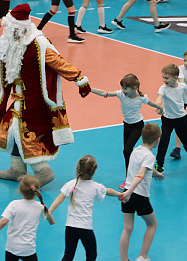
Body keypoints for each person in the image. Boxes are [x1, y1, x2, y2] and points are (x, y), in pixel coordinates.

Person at [0, 4, 91, 186]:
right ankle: (17, 169)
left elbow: (58, 62)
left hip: (34, 102)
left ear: (18, 27)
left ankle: (43, 171)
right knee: (11, 130)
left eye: (10, 27)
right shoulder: (11, 41)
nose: (7, 30)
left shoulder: (38, 44)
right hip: (18, 99)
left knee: (25, 133)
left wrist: (80, 80)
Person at [47, 155, 122, 261]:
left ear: (78, 168)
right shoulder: (96, 186)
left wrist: (49, 211)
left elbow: (60, 198)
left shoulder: (71, 184)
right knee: (91, 255)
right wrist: (120, 194)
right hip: (85, 228)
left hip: (70, 227)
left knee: (68, 255)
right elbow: (109, 191)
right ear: (93, 171)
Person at [90, 74, 163, 171]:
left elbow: (151, 103)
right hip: (127, 126)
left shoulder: (141, 98)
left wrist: (160, 108)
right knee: (126, 152)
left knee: (127, 151)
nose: (123, 90)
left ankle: (132, 172)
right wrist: (89, 89)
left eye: (125, 88)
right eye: (122, 88)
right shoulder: (121, 94)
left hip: (138, 126)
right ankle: (129, 174)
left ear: (134, 88)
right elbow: (104, 93)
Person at [0, 175, 54, 260]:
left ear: (20, 190)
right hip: (28, 250)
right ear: (36, 191)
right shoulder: (40, 207)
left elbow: (3, 222)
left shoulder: (14, 204)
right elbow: (50, 218)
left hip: (12, 248)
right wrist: (51, 220)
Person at [119, 123, 164, 261]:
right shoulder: (150, 156)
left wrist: (155, 173)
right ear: (157, 140)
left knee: (127, 228)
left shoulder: (135, 151)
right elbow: (141, 173)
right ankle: (142, 256)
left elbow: (143, 167)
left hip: (126, 194)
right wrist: (131, 191)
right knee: (152, 224)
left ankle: (123, 259)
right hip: (138, 196)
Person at [154, 64, 187, 174]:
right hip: (167, 119)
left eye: (166, 78)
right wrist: (158, 105)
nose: (164, 80)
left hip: (181, 119)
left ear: (175, 78)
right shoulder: (163, 88)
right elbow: (159, 97)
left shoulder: (182, 86)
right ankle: (159, 164)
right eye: (163, 77)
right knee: (163, 141)